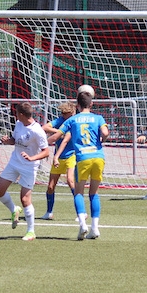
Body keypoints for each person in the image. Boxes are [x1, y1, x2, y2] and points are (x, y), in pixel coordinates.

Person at [53, 90, 109, 240]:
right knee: (94, 193)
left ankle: (83, 225)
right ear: (91, 104)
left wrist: (42, 142)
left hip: (82, 158)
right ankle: (95, 228)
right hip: (98, 157)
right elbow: (105, 133)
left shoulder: (72, 120)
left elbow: (57, 135)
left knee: (78, 192)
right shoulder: (98, 118)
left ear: (77, 105)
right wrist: (102, 139)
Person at [0, 101, 50, 242]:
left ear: (21, 114)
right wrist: (8, 141)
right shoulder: (19, 124)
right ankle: (14, 210)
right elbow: (15, 140)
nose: (15, 116)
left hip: (29, 167)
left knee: (25, 199)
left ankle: (31, 231)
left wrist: (32, 158)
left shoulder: (37, 131)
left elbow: (46, 152)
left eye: (16, 114)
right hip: (14, 162)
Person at [40, 101, 78, 220]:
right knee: (51, 187)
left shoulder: (75, 122)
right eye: (62, 113)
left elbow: (68, 139)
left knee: (70, 181)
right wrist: (59, 132)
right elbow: (44, 127)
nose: (63, 115)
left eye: (66, 113)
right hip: (58, 158)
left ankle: (80, 212)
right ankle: (49, 212)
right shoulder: (60, 121)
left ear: (72, 113)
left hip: (71, 156)